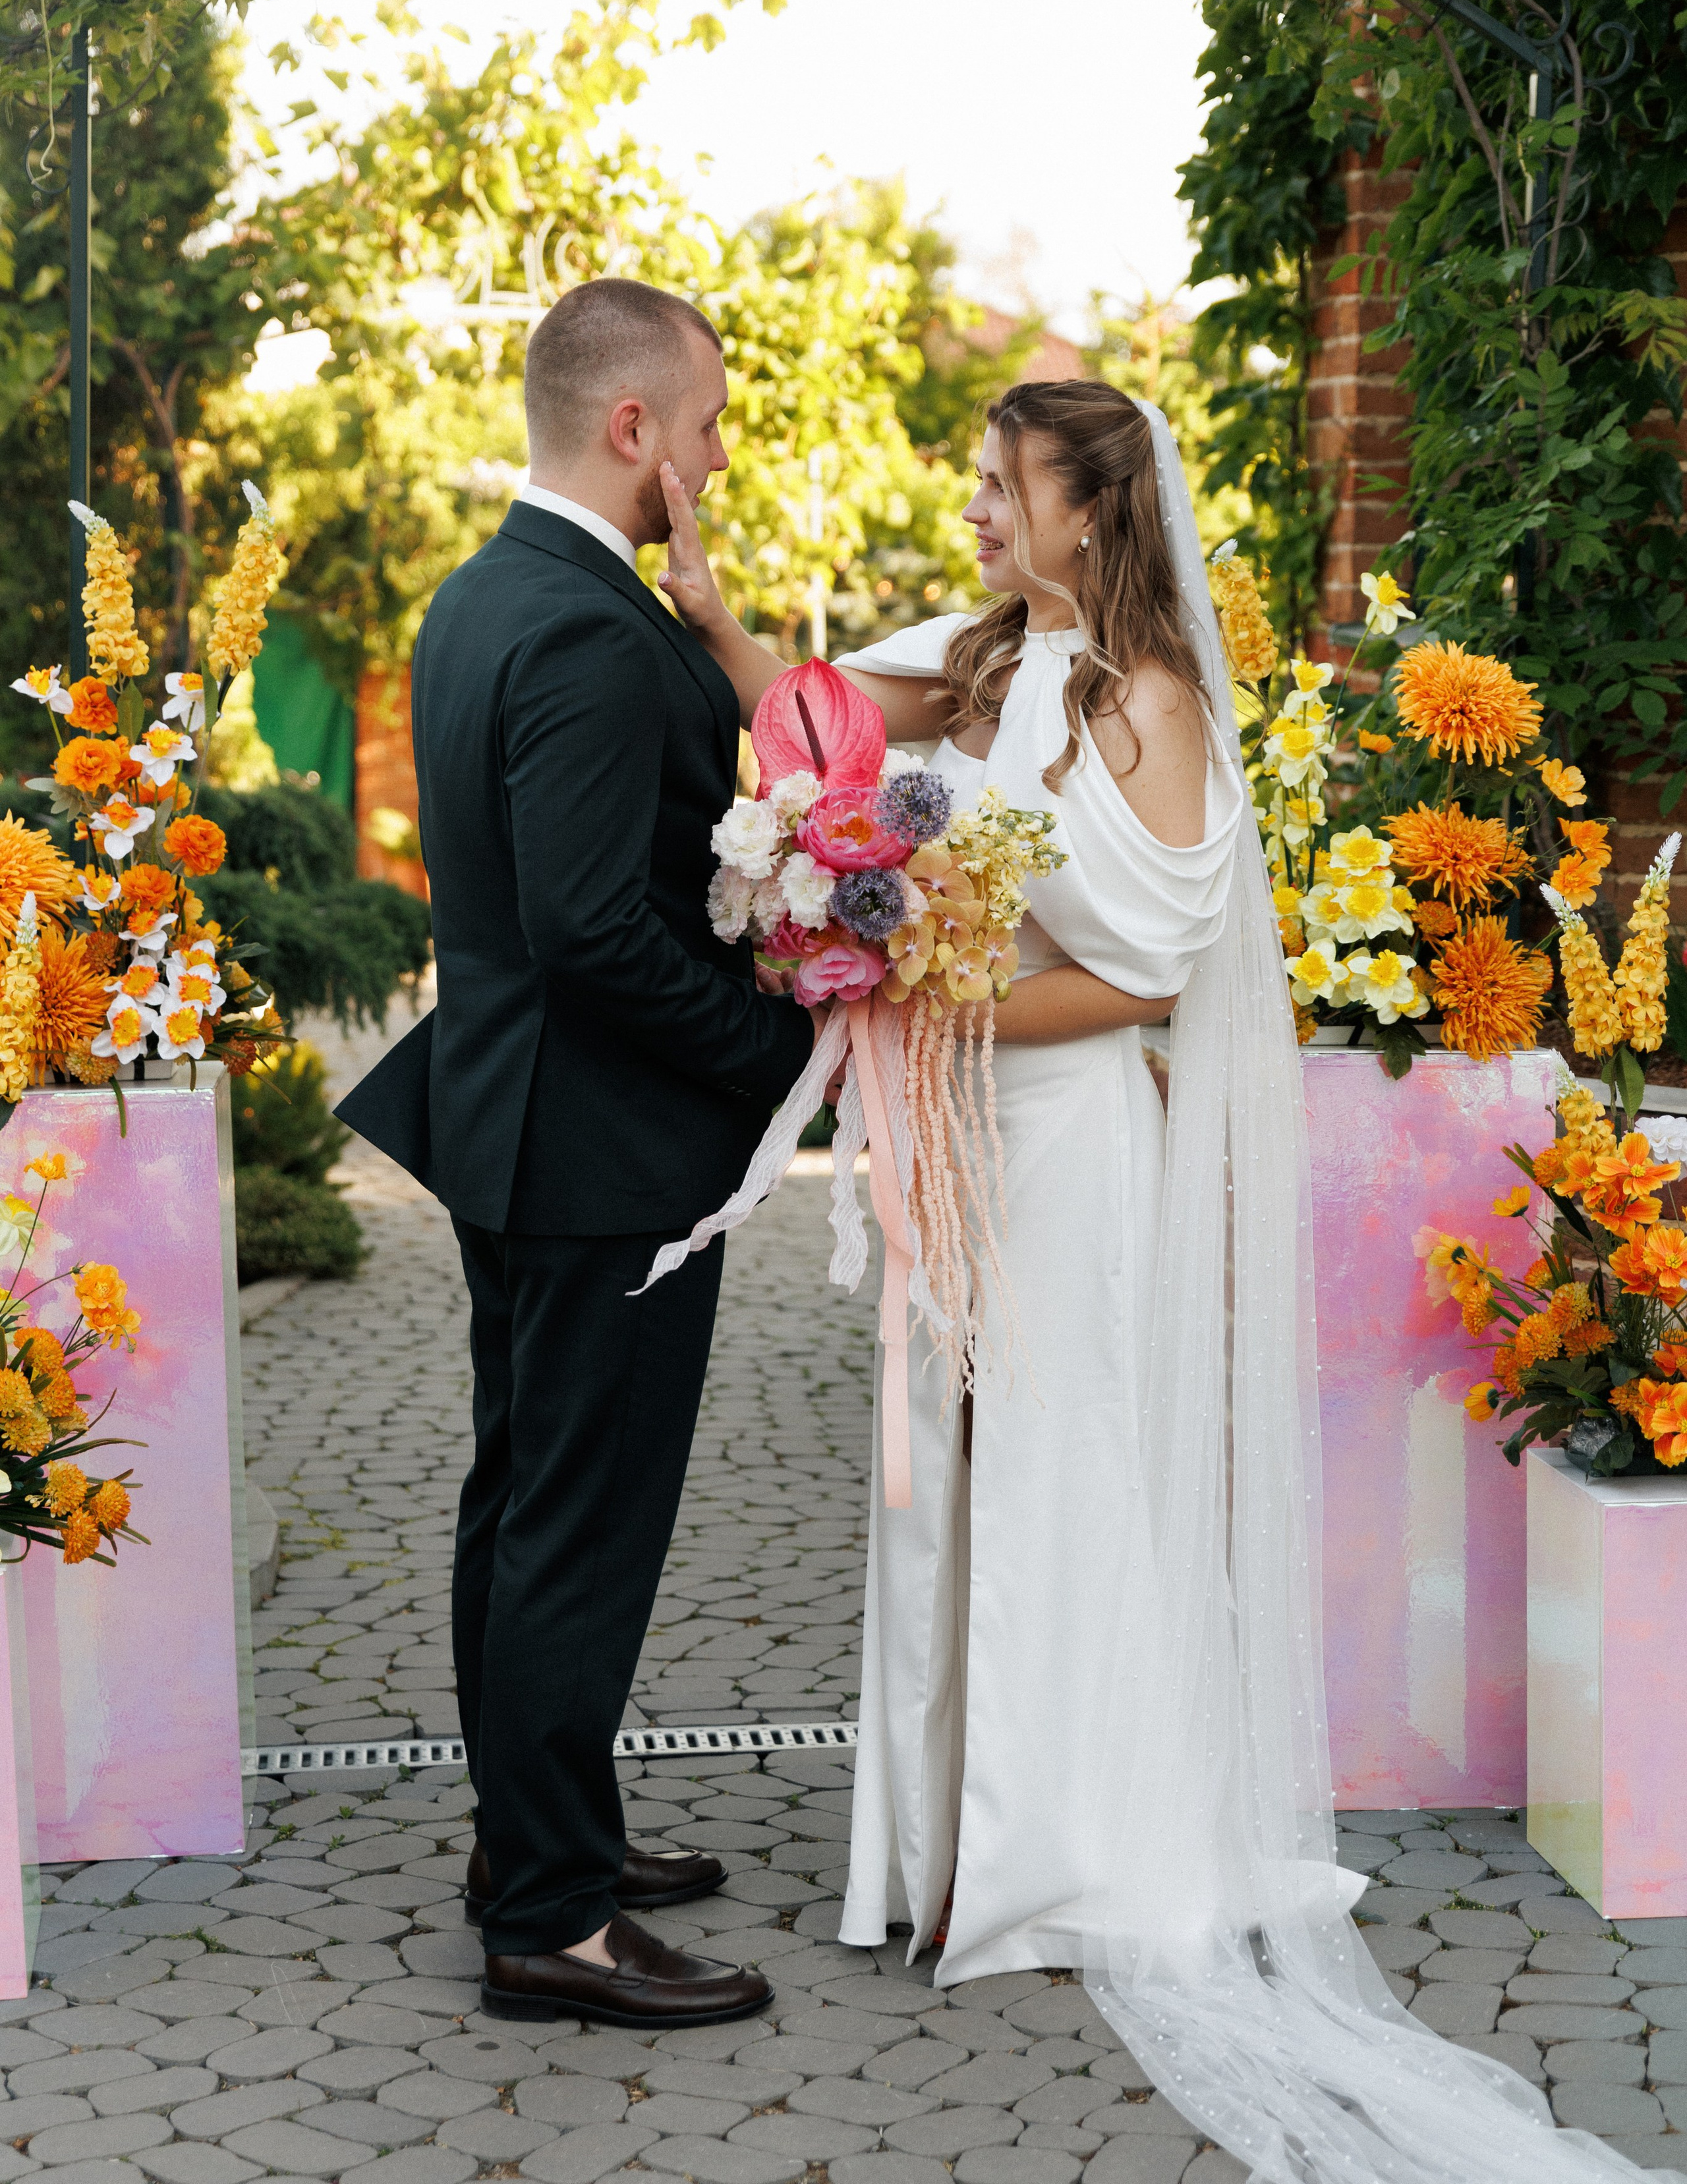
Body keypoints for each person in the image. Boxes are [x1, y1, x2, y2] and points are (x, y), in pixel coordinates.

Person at [658, 380, 1640, 2181]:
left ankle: (1068, 1846)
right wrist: (719, 619)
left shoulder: (1153, 704)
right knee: (939, 1482)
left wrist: (927, 1004)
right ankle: (946, 1851)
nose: (972, 505)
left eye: (999, 483)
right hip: (959, 1127)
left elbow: (1152, 975)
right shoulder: (972, 665)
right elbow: (810, 755)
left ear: (1090, 512)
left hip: (1072, 1134)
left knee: (1055, 1471)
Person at [336, 277, 818, 2030]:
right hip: (600, 1153)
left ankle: (532, 1839)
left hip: (513, 1130)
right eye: (703, 427)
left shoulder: (489, 597)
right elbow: (599, 930)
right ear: (634, 432)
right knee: (575, 1532)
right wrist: (789, 1054)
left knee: (520, 1505)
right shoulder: (592, 635)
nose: (713, 454)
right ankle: (552, 1918)